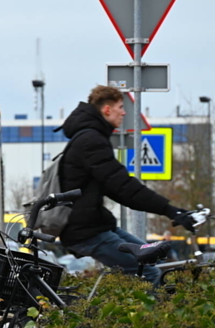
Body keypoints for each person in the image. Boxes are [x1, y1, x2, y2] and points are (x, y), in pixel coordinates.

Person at [56, 85, 198, 284]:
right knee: (148, 272)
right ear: (107, 109)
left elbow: (117, 189)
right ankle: (148, 306)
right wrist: (168, 209)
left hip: (96, 225)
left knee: (153, 259)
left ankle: (134, 301)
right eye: (120, 107)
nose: (124, 112)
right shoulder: (91, 141)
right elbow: (123, 187)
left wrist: (171, 211)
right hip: (86, 232)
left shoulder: (91, 137)